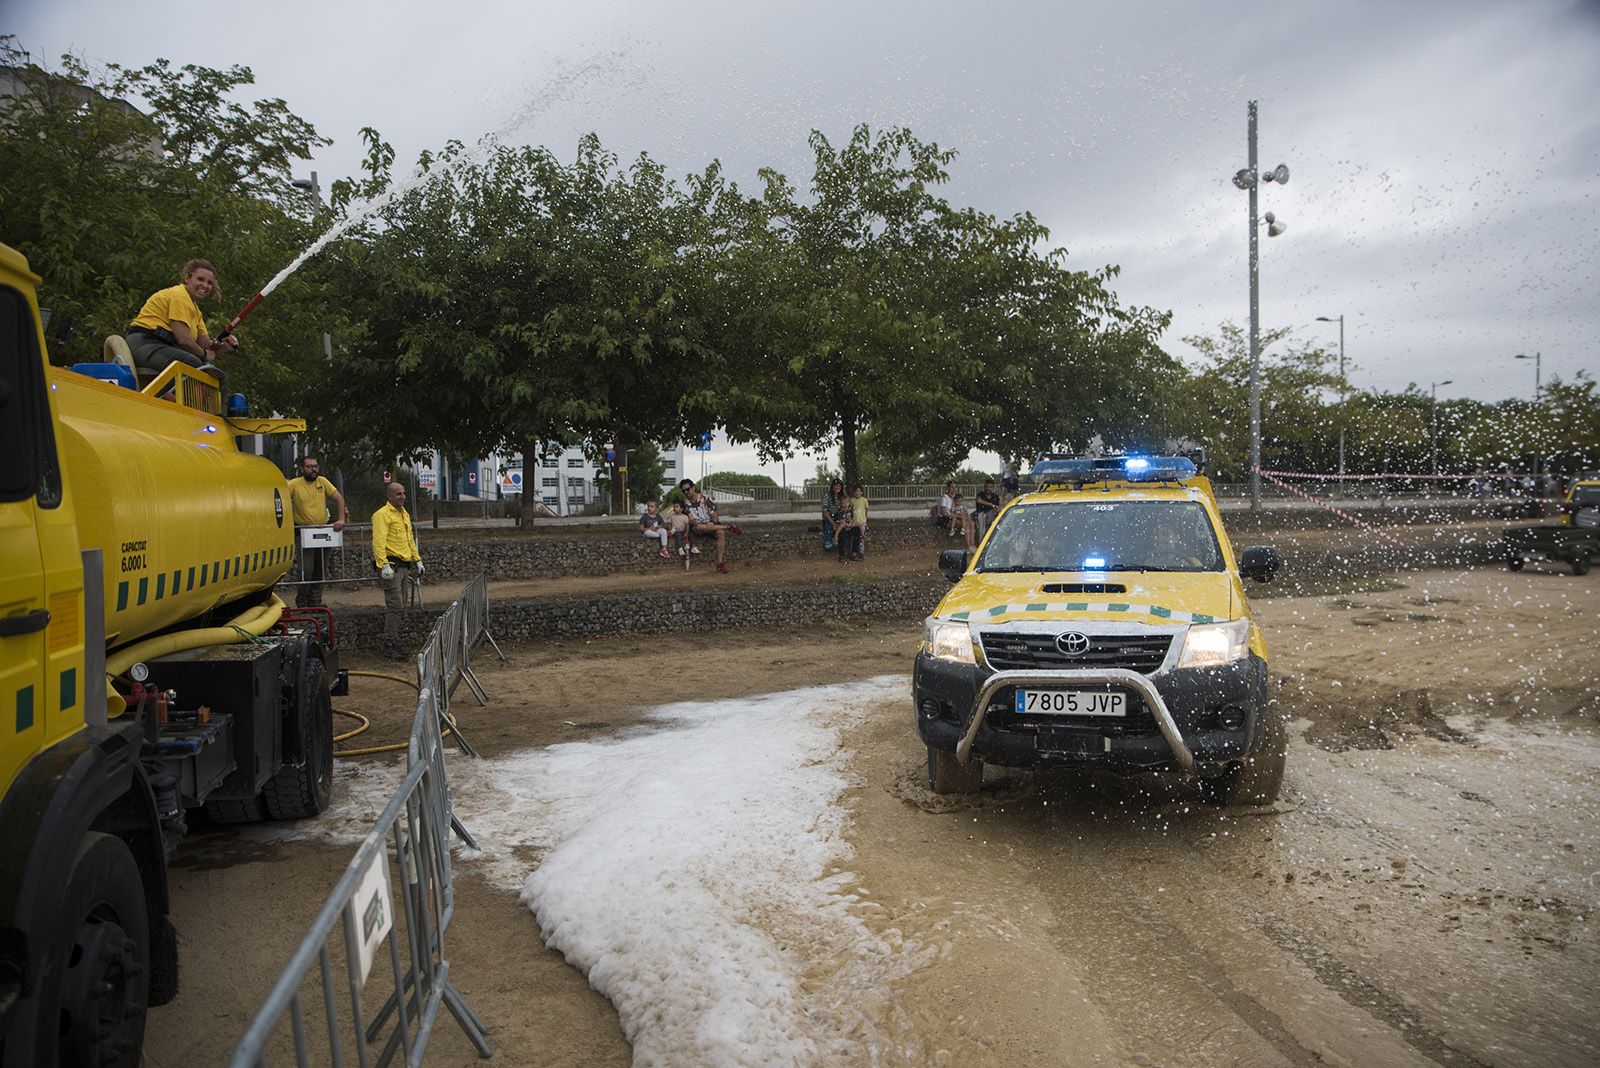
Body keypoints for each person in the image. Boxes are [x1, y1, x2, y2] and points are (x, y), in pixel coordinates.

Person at [126, 259, 239, 395]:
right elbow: (184, 340)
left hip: (161, 348)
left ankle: (200, 411)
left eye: (210, 283)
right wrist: (205, 354)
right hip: (144, 344)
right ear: (187, 277)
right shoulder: (179, 296)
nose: (205, 285)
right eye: (200, 279)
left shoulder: (195, 310)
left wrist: (223, 347)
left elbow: (206, 346)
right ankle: (153, 400)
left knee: (214, 374)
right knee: (194, 364)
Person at [286, 455, 348, 607]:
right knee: (306, 570)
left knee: (320, 568)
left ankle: (315, 601)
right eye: (309, 466)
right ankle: (302, 602)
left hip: (322, 530)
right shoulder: (293, 484)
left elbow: (339, 498)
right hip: (304, 532)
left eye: (315, 466)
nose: (313, 469)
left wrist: (340, 519)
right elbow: (281, 501)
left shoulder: (322, 481)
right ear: (302, 469)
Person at [371, 481, 422, 661]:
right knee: (395, 606)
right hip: (391, 567)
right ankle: (389, 644)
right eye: (399, 494)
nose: (403, 497)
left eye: (404, 493)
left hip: (404, 566)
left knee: (401, 608)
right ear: (390, 496)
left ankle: (394, 640)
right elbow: (378, 541)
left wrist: (417, 559)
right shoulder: (381, 515)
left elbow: (409, 539)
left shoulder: (403, 514)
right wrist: (383, 564)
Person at [679, 480, 740, 573]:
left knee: (720, 534)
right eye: (684, 491)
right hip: (697, 528)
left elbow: (714, 516)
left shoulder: (705, 500)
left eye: (687, 489)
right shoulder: (684, 504)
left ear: (693, 488)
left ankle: (720, 563)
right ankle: (728, 527)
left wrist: (711, 522)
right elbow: (691, 521)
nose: (686, 492)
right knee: (698, 527)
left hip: (709, 525)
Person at [821, 478, 849, 556]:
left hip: (838, 517)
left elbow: (844, 508)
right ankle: (828, 544)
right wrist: (833, 523)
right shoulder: (827, 496)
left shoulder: (840, 496)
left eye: (839, 486)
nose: (838, 488)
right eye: (836, 486)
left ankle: (841, 552)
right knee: (829, 527)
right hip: (829, 518)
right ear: (832, 486)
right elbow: (825, 512)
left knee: (843, 529)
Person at [849, 484, 869, 559]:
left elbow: (866, 509)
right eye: (856, 491)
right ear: (854, 493)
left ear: (861, 492)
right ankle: (854, 553)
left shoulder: (864, 500)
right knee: (855, 537)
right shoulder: (852, 500)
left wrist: (865, 519)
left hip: (862, 522)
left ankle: (861, 553)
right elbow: (850, 510)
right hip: (854, 523)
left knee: (861, 538)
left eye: (859, 491)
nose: (857, 493)